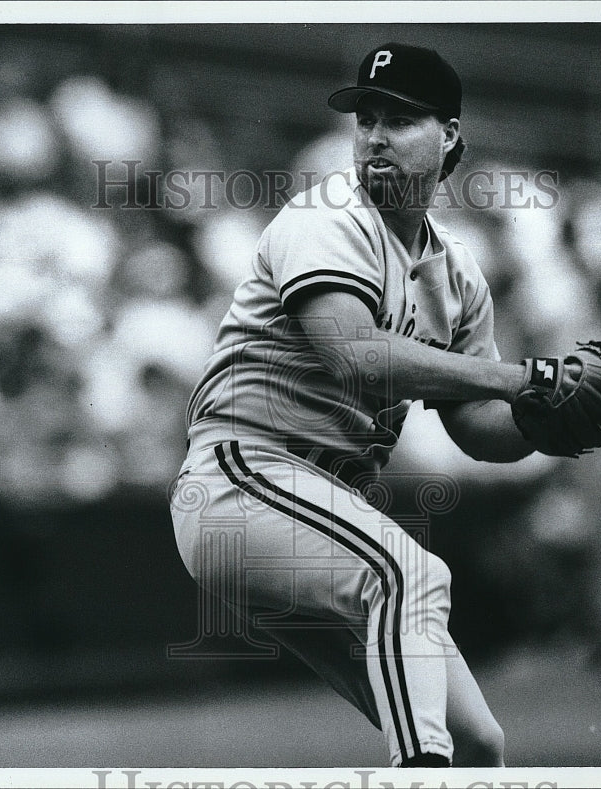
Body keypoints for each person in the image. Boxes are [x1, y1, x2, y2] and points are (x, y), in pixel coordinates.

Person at [169, 42, 576, 768]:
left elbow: (479, 429)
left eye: (401, 118)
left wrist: (546, 421)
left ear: (450, 136)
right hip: (242, 479)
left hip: (317, 508)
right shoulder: (326, 216)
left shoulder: (456, 274)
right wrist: (525, 378)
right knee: (409, 575)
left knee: (480, 742)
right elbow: (356, 353)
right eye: (367, 119)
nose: (375, 135)